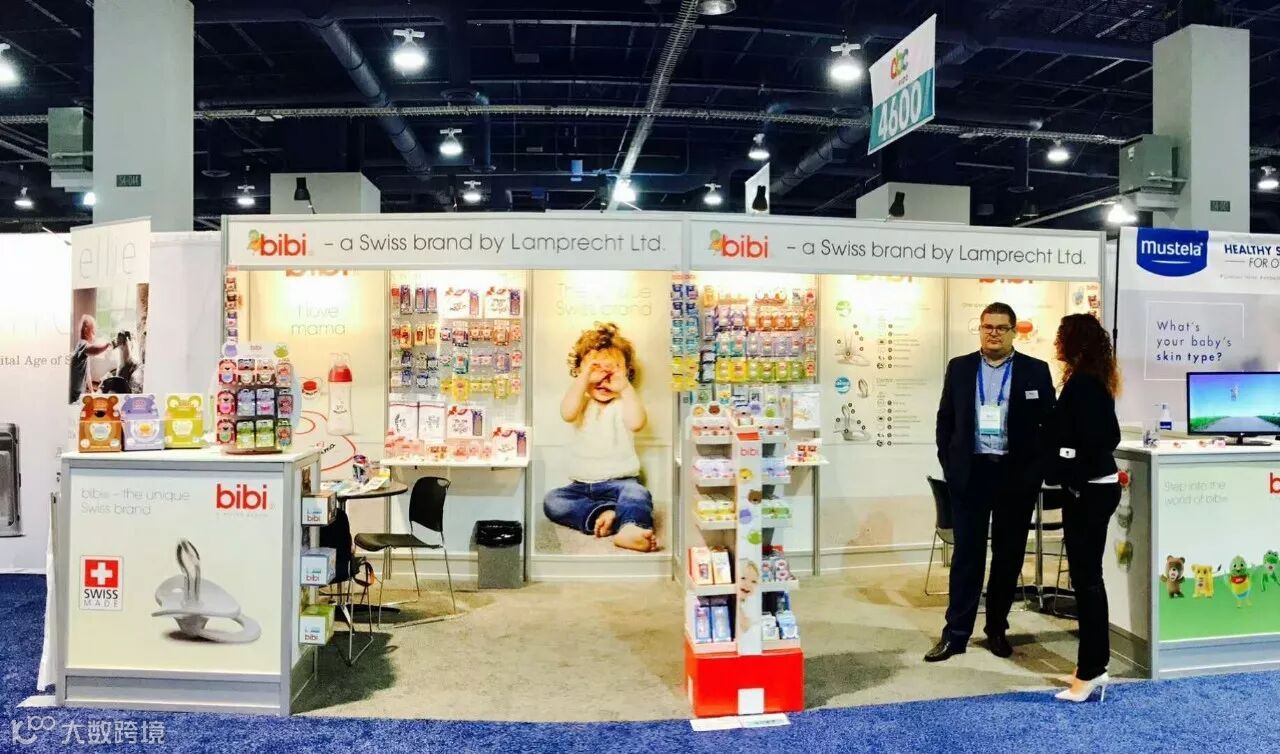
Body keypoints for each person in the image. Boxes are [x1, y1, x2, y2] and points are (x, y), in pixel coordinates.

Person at [926, 302, 1055, 662]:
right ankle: (956, 634)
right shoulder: (960, 368)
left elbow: (1050, 425)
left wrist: (1036, 470)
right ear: (980, 330)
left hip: (1015, 477)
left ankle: (997, 629)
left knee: (1008, 557)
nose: (993, 333)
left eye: (1001, 327)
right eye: (987, 327)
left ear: (1014, 332)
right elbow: (945, 419)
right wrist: (950, 463)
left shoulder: (1035, 370)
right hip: (971, 474)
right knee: (967, 557)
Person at [1044, 313, 1121, 703]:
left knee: (1087, 581)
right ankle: (1089, 666)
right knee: (1087, 579)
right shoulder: (1091, 380)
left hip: (1089, 491)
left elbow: (1102, 438)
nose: (1057, 342)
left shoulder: (1084, 384)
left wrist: (1068, 472)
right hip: (1092, 489)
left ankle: (1092, 670)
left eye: (1061, 336)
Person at [543, 322, 658, 552]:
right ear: (580, 372)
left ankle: (630, 528)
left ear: (627, 373)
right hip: (581, 486)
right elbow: (567, 413)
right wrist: (585, 377)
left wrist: (625, 388)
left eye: (612, 371)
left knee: (638, 494)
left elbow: (636, 423)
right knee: (552, 501)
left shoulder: (624, 403)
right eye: (595, 370)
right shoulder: (581, 403)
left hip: (621, 483)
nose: (604, 379)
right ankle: (603, 514)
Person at [68, 315, 117, 404]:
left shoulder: (83, 352)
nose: (95, 335)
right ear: (86, 330)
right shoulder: (82, 344)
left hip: (79, 392)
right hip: (75, 394)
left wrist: (91, 391)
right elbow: (95, 350)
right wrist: (107, 345)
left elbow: (88, 374)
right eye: (93, 331)